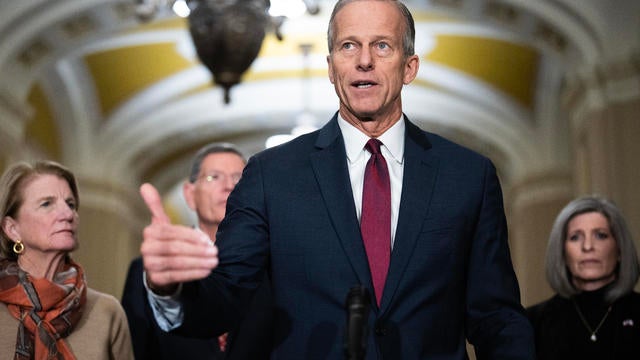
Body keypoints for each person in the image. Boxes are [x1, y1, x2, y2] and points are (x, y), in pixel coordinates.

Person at [140, 1, 535, 358]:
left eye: (382, 45)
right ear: (331, 67)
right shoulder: (270, 175)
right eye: (349, 46)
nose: (364, 60)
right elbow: (225, 298)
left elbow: (495, 316)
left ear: (409, 66)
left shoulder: (467, 175)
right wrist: (168, 287)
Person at [121, 142, 273, 359]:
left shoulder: (275, 268)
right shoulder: (145, 272)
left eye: (239, 178)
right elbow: (135, 349)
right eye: (214, 177)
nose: (229, 186)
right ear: (190, 195)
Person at [0, 160, 133, 359]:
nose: (67, 214)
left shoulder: (106, 312)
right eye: (46, 204)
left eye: (70, 204)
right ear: (13, 229)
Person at [526, 195, 640, 359]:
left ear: (620, 249)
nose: (587, 246)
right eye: (575, 237)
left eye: (600, 235)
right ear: (563, 253)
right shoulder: (533, 323)